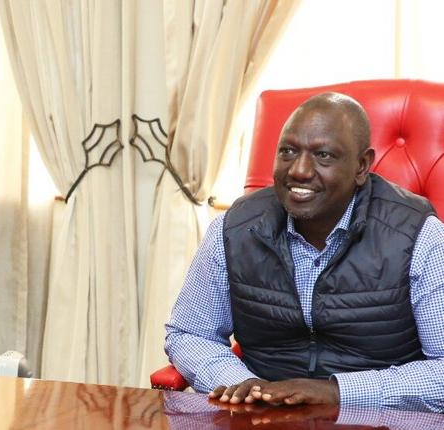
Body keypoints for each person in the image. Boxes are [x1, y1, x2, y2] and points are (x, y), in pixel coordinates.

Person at [165, 92, 444, 412]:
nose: (298, 170)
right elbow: (189, 333)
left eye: (323, 155)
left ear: (362, 165)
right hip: (262, 418)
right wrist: (243, 384)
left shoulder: (420, 237)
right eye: (288, 151)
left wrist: (337, 392)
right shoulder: (234, 229)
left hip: (376, 418)